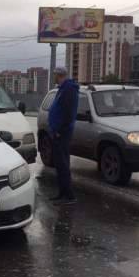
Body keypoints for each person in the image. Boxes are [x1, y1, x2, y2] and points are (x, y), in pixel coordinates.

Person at [48, 66, 80, 205]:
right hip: (59, 130)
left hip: (64, 132)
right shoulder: (62, 87)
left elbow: (68, 112)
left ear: (59, 75)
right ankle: (62, 193)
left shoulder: (69, 88)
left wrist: (60, 130)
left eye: (55, 74)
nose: (54, 76)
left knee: (63, 164)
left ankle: (69, 196)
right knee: (59, 164)